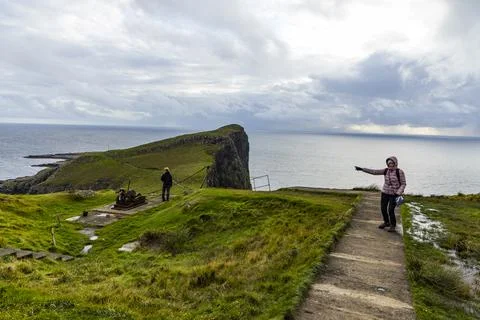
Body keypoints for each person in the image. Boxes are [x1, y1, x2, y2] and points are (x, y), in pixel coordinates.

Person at [354, 156, 406, 232]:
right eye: (389, 163)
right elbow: (374, 172)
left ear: (395, 163)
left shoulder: (399, 172)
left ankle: (393, 225)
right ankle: (386, 222)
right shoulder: (386, 171)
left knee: (390, 210)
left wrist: (398, 193)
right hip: (385, 193)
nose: (390, 165)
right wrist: (362, 169)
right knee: (383, 209)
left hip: (394, 194)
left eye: (391, 163)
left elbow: (403, 184)